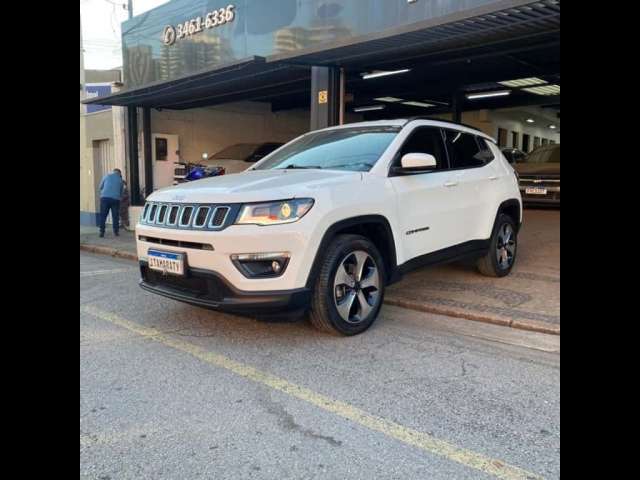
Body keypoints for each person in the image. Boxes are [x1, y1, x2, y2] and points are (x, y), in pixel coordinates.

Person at [98, 168, 124, 237]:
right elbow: (121, 193)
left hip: (104, 198)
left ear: (113, 172)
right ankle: (116, 232)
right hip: (115, 200)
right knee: (115, 216)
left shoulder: (106, 176)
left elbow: (100, 187)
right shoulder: (120, 180)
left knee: (103, 216)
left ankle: (102, 232)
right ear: (119, 173)